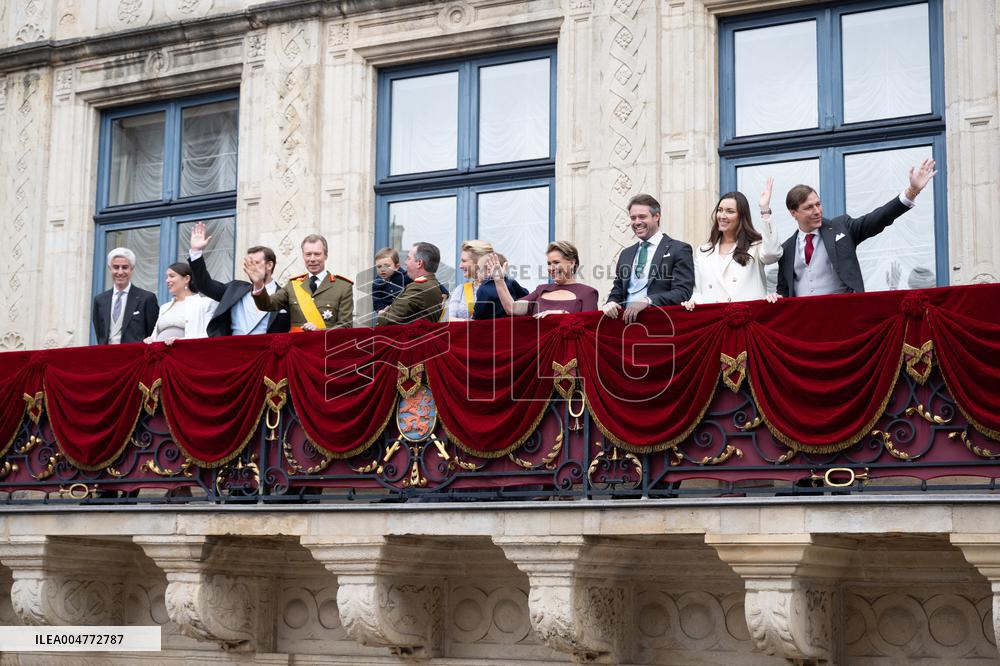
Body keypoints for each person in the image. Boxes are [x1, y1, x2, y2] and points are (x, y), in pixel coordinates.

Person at [776, 158, 937, 297]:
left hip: (843, 317)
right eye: (809, 207)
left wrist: (911, 192)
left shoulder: (841, 228)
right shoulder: (787, 249)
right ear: (793, 213)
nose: (817, 211)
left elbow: (877, 219)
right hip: (806, 324)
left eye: (818, 204)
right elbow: (783, 292)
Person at [682, 179, 782, 310]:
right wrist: (692, 301)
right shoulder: (703, 251)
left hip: (748, 318)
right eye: (720, 210)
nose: (722, 216)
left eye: (730, 211)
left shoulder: (756, 245)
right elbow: (699, 291)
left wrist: (764, 209)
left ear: (741, 217)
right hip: (715, 321)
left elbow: (772, 254)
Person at [601, 193, 694, 323]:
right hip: (626, 326)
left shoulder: (679, 249)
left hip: (661, 324)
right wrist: (611, 303)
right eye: (633, 218)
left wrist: (647, 301)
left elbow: (682, 292)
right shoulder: (626, 253)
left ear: (657, 216)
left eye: (642, 217)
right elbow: (618, 290)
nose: (637, 222)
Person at [187, 222, 290, 336]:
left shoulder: (286, 295)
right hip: (233, 350)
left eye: (255, 263)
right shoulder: (234, 289)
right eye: (248, 263)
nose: (250, 267)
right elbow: (204, 284)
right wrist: (196, 252)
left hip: (267, 351)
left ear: (269, 265)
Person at [247, 234, 354, 331]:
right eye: (308, 254)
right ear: (303, 256)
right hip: (297, 349)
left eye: (317, 254)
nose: (312, 259)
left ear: (325, 256)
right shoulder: (293, 285)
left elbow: (345, 326)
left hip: (325, 348)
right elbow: (267, 305)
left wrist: (319, 332)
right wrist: (258, 283)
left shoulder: (343, 287)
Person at [486, 241, 598, 317]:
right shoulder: (541, 290)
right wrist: (499, 280)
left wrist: (564, 315)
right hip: (540, 350)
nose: (551, 268)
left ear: (572, 262)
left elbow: (589, 329)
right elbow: (512, 309)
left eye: (556, 262)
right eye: (549, 263)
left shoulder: (588, 293)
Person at [92, 247, 159, 345]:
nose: (120, 272)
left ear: (132, 269)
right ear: (109, 269)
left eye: (124, 267)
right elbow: (100, 334)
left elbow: (153, 334)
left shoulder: (147, 298)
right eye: (116, 267)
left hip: (136, 357)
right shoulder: (100, 300)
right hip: (107, 356)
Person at [144, 262, 218, 344]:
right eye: (167, 277)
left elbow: (209, 334)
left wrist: (182, 341)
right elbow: (155, 335)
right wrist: (150, 339)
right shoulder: (164, 307)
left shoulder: (205, 303)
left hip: (185, 353)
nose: (167, 280)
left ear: (186, 279)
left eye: (172, 276)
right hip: (160, 353)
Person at [376, 242, 445, 326]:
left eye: (408, 258)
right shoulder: (429, 284)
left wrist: (381, 315)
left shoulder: (419, 288)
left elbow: (386, 320)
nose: (405, 263)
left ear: (419, 263)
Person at [472, 251, 530, 320]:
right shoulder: (511, 282)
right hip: (513, 323)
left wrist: (474, 317)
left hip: (493, 326)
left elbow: (479, 312)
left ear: (488, 271)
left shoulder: (483, 289)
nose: (477, 273)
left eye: (478, 270)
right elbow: (526, 294)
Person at [372, 247, 411, 313]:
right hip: (386, 316)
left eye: (387, 266)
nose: (382, 269)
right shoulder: (377, 283)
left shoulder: (406, 277)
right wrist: (381, 311)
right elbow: (377, 302)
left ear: (396, 267)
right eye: (379, 266)